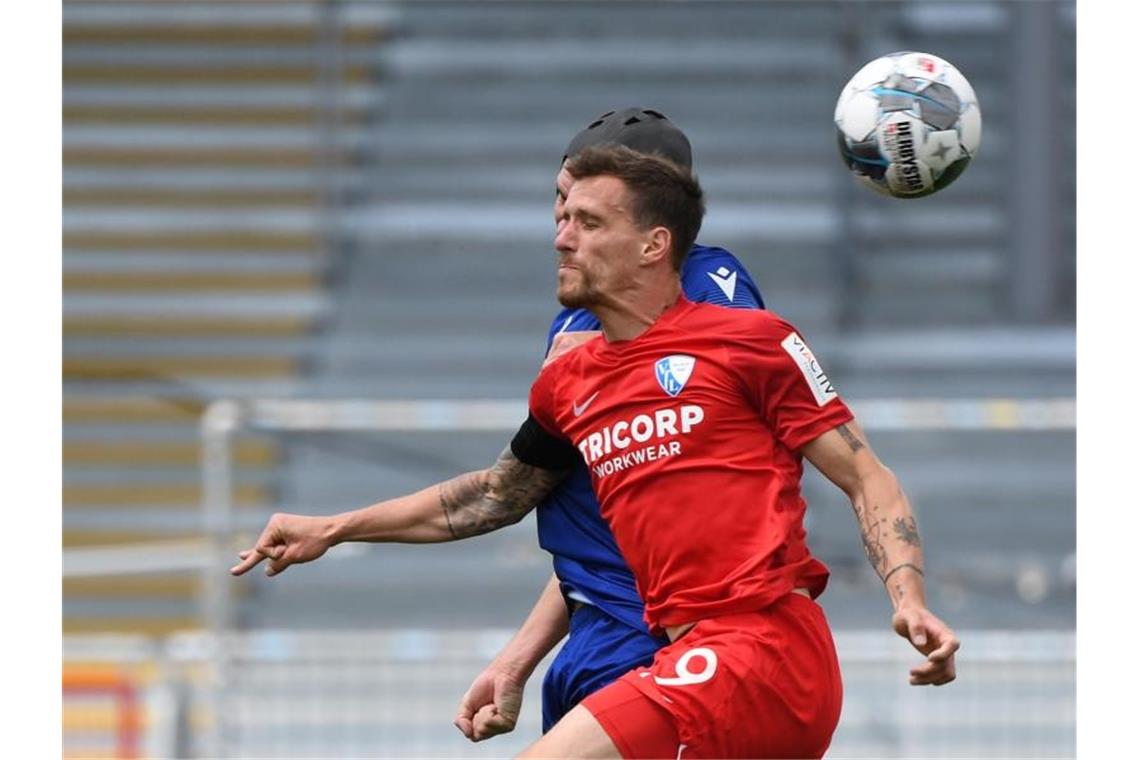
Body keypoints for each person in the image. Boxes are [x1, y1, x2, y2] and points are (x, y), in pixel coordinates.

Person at [232, 146, 958, 759]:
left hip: (762, 648)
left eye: (587, 221)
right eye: (560, 219)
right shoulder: (567, 385)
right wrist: (334, 527)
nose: (561, 237)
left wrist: (910, 600)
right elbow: (493, 497)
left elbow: (867, 476)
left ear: (654, 244)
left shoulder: (752, 342)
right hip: (686, 656)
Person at [454, 107, 765, 743]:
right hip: (590, 639)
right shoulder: (577, 320)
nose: (562, 225)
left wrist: (338, 529)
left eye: (585, 207)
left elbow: (504, 498)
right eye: (560, 200)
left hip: (655, 640)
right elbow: (603, 515)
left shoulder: (709, 289)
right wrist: (521, 656)